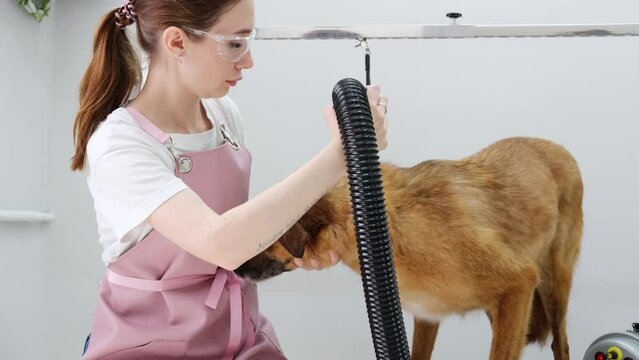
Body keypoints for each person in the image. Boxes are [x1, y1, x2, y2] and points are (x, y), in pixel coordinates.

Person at [71, 0, 389, 358]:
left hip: (238, 336)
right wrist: (342, 153)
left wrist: (288, 252)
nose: (248, 60)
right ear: (176, 42)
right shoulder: (120, 144)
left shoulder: (223, 115)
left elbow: (236, 242)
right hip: (148, 346)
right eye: (235, 44)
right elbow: (218, 242)